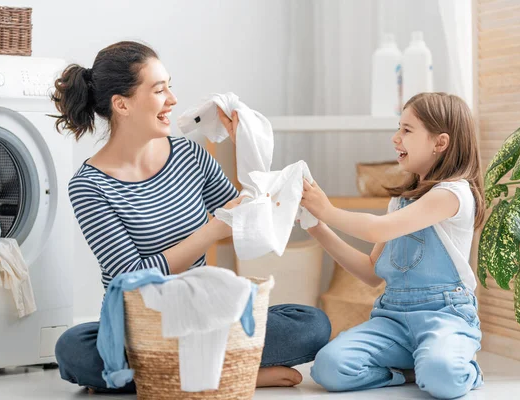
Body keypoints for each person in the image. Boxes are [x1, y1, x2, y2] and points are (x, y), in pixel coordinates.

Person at [51, 40, 331, 392]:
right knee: (74, 349)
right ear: (121, 104)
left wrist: (244, 147)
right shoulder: (90, 186)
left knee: (312, 324)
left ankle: (164, 377)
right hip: (143, 324)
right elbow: (131, 275)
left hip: (205, 312)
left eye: (170, 85)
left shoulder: (189, 155)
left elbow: (245, 221)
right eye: (158, 89)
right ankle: (233, 373)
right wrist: (212, 230)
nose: (172, 99)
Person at [302, 92, 485, 399]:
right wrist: (318, 227)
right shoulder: (400, 202)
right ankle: (409, 372)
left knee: (445, 378)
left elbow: (376, 230)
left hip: (445, 315)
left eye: (407, 130)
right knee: (328, 367)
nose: (395, 138)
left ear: (440, 143)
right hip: (393, 318)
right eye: (399, 128)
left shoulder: (453, 195)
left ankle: (458, 367)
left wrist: (328, 210)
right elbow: (372, 272)